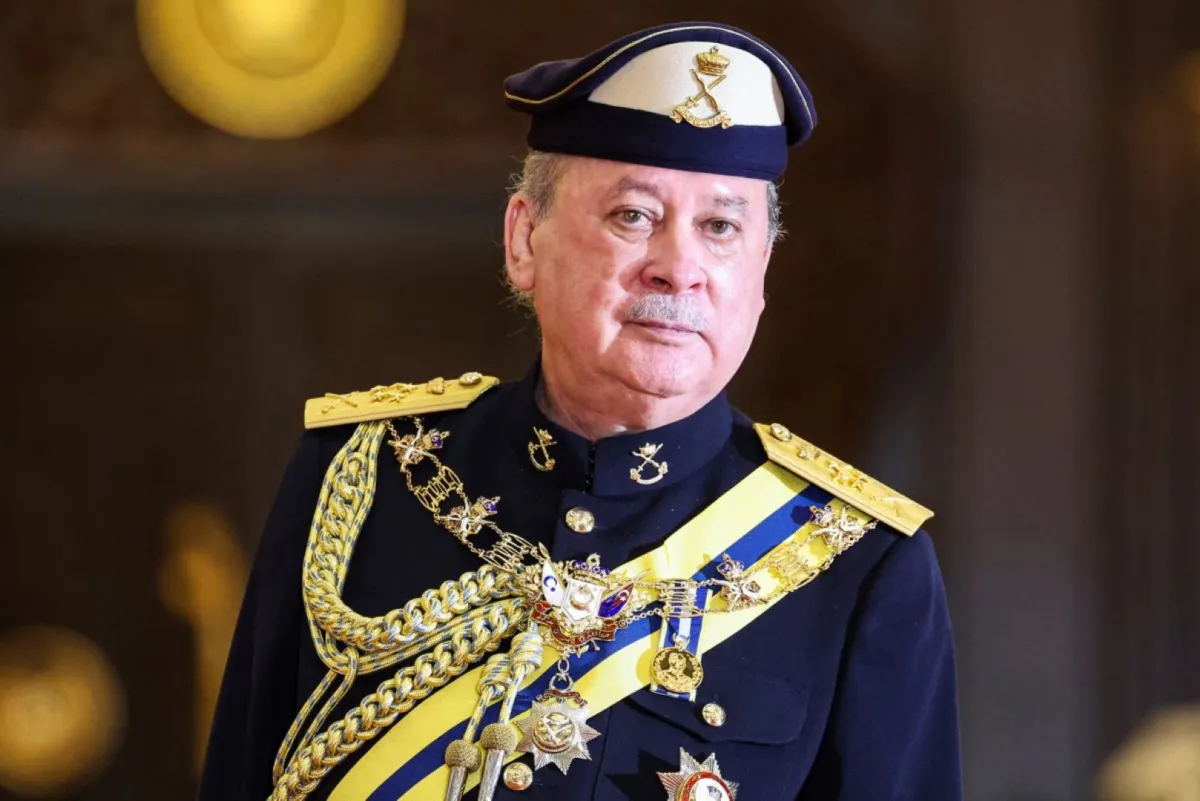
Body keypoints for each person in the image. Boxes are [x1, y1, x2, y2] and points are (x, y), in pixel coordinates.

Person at [199, 21, 962, 801]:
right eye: (634, 216)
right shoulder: (358, 479)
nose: (678, 269)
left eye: (721, 227)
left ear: (761, 274)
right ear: (525, 240)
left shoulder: (855, 563)